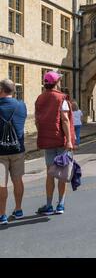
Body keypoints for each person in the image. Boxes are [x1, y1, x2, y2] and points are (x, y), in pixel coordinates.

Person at [35, 71, 75, 215]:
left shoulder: (39, 98)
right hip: (61, 141)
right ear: (57, 82)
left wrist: (42, 135)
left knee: (50, 174)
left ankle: (48, 205)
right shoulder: (61, 98)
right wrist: (69, 140)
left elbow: (37, 121)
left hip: (47, 140)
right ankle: (61, 205)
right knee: (62, 173)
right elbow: (64, 120)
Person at [0, 79, 27, 225]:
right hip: (18, 149)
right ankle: (18, 210)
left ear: (1, 89)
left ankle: (2, 215)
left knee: (1, 183)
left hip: (1, 152)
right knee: (18, 180)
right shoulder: (21, 105)